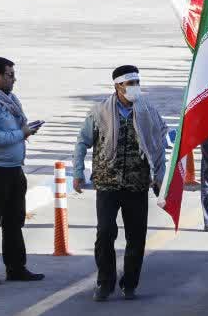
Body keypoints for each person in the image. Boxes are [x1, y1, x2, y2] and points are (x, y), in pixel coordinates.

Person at [72, 65, 168, 300]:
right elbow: (82, 142)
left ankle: (130, 283)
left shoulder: (149, 111)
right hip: (108, 184)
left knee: (136, 237)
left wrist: (160, 177)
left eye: (137, 82)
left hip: (137, 184)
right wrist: (77, 172)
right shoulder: (99, 112)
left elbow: (158, 146)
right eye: (130, 83)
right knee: (105, 233)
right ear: (117, 86)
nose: (135, 87)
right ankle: (105, 283)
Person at [0, 57, 45, 285]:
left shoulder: (9, 99)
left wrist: (26, 129)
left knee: (14, 220)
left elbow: (15, 128)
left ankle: (16, 268)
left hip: (13, 168)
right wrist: (22, 133)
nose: (14, 79)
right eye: (10, 75)